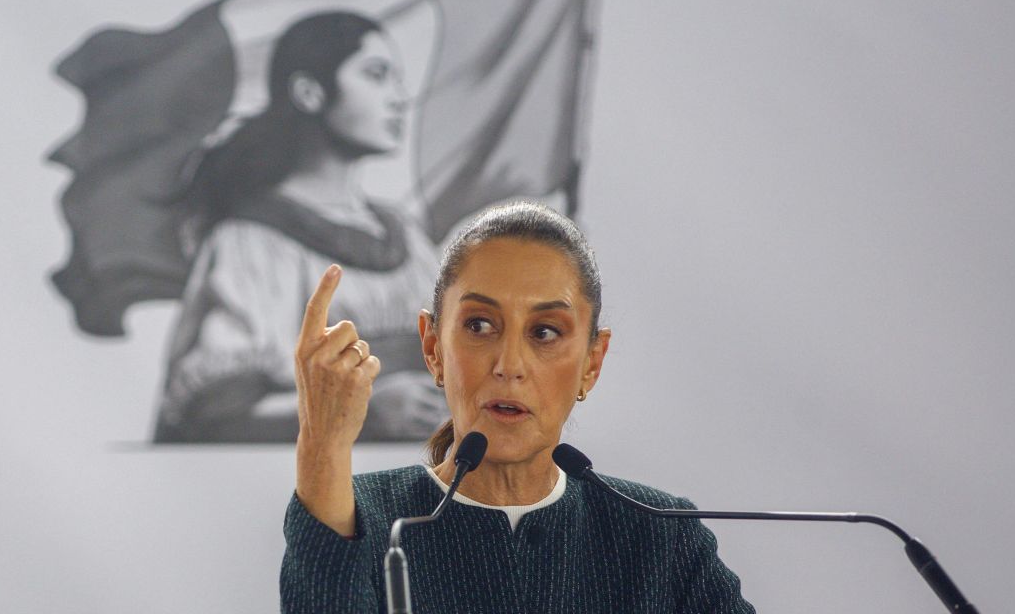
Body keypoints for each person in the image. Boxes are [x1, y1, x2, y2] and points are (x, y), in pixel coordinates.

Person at [281, 202, 755, 612]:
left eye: (545, 332)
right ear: (432, 347)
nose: (509, 366)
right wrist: (322, 440)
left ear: (592, 362)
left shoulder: (659, 535)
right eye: (480, 325)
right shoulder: (366, 519)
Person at [153, 11, 449, 443]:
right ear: (309, 93)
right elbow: (216, 413)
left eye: (397, 79)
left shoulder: (406, 236)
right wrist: (362, 412)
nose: (400, 98)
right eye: (376, 75)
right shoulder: (251, 243)